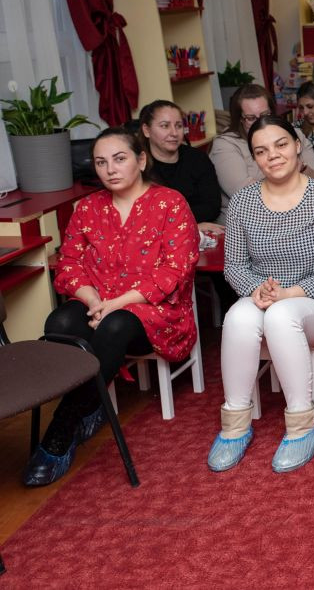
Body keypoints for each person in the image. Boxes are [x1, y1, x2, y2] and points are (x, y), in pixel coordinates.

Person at [24, 128, 199, 486]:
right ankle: (90, 405)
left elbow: (175, 270)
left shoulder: (170, 202)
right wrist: (93, 300)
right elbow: (68, 263)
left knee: (115, 324)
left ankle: (62, 428)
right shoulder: (88, 208)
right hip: (98, 302)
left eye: (119, 159)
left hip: (152, 312)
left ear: (141, 160)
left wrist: (115, 304)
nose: (110, 169)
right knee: (60, 322)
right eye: (101, 162)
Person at [207, 116, 314, 473]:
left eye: (281, 144)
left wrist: (288, 294)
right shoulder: (242, 202)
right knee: (238, 316)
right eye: (261, 151)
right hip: (266, 298)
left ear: (297, 146)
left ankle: (303, 426)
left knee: (281, 316)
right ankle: (235, 426)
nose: (273, 155)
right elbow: (234, 266)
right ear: (255, 158)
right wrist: (256, 289)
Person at [210, 84, 314, 222]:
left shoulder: (294, 134)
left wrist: (303, 168)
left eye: (265, 115)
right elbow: (247, 196)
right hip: (250, 221)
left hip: (302, 214)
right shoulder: (225, 144)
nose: (260, 122)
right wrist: (294, 175)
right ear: (240, 119)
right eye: (251, 118)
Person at [140, 99, 223, 233]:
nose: (174, 133)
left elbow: (212, 207)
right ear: (146, 130)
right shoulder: (138, 166)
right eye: (165, 126)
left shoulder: (197, 158)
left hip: (204, 231)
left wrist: (173, 217)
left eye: (178, 126)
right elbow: (144, 219)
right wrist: (190, 225)